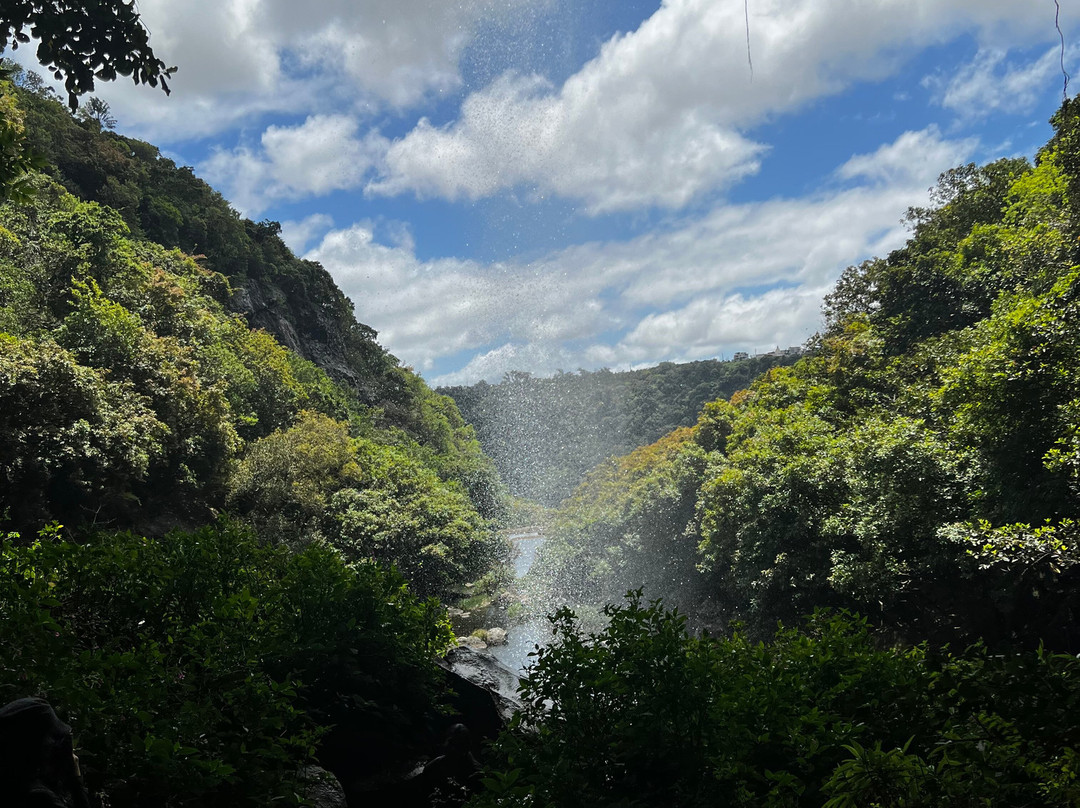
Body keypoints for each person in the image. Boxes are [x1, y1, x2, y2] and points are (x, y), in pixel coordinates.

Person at [0, 698, 90, 808]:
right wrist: (75, 780)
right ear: (35, 743)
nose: (56, 744)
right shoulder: (39, 797)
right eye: (52, 737)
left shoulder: (11, 781)